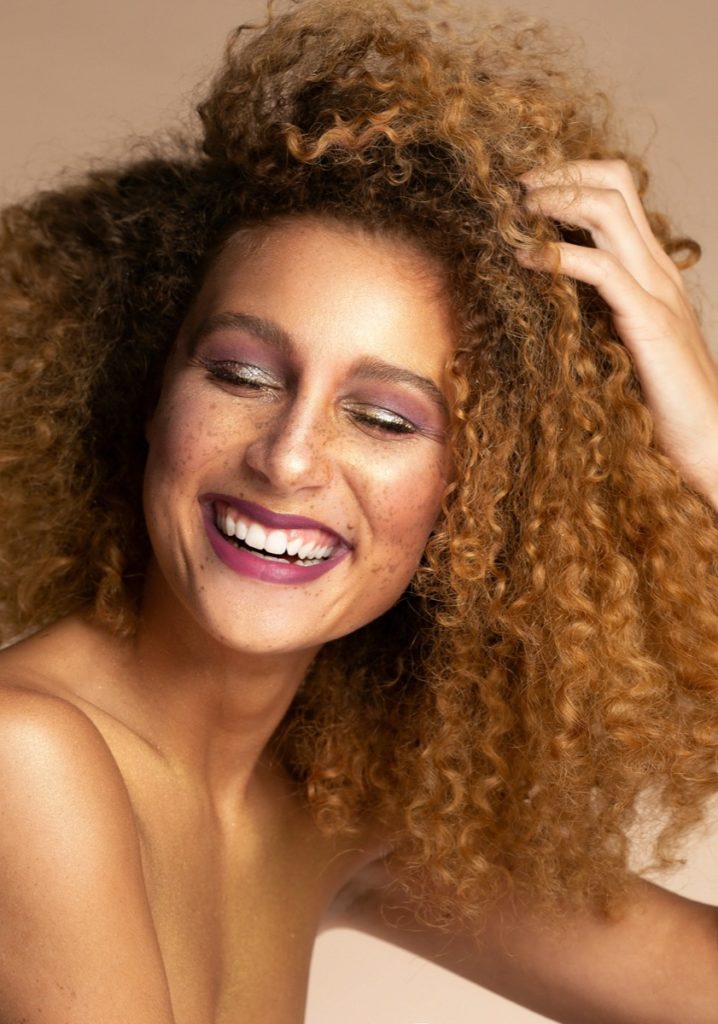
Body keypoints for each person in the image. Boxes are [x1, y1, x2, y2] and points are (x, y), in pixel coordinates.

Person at [0, 0, 716, 1021]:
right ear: (149, 390)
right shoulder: (24, 758)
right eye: (242, 374)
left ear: (482, 498)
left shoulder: (318, 811)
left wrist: (710, 453)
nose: (288, 457)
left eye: (383, 418)